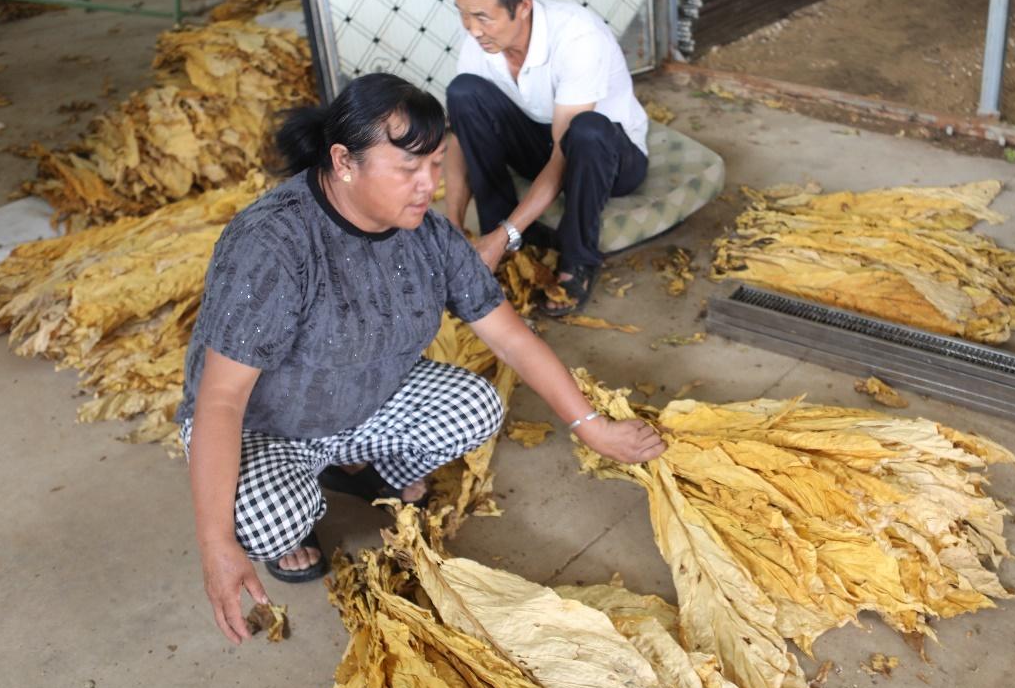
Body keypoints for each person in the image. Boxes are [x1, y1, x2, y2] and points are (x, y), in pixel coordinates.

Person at [179, 73, 664, 645]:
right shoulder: (274, 245)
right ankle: (294, 525)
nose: (428, 186)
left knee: (474, 407)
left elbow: (508, 337)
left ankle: (361, 470)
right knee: (267, 521)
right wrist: (215, 546)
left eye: (436, 164)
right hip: (267, 425)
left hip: (363, 399)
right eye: (408, 169)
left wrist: (593, 427)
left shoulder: (427, 235)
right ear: (343, 162)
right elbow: (222, 397)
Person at [443, 0, 650, 314]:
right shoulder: (479, 40)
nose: (472, 29)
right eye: (463, 14)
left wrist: (507, 233)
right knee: (463, 93)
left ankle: (579, 258)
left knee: (586, 130)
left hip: (609, 156)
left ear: (522, 7)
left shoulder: (577, 36)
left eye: (483, 17)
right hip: (544, 139)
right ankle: (501, 231)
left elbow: (563, 153)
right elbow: (459, 135)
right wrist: (453, 225)